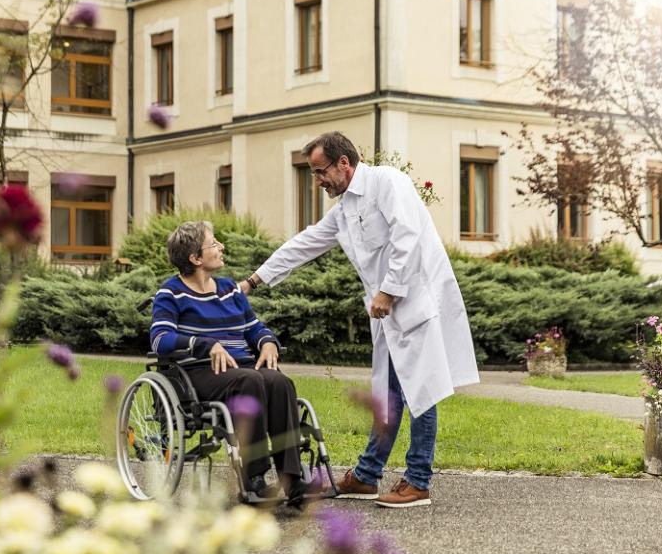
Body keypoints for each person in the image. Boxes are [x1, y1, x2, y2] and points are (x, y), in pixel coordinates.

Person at [239, 131, 479, 508]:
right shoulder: (344, 210)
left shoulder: (388, 183)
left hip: (414, 301)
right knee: (388, 395)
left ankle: (418, 482)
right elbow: (305, 243)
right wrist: (254, 280)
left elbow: (408, 235)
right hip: (385, 314)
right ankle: (367, 475)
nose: (317, 182)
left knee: (421, 391)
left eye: (320, 173)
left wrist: (389, 290)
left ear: (344, 163)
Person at [150, 220, 306, 505]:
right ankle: (254, 478)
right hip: (199, 375)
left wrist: (267, 342)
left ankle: (292, 479)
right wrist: (205, 345)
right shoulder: (170, 293)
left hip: (241, 369)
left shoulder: (230, 290)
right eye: (213, 244)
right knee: (251, 380)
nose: (221, 248)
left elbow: (254, 327)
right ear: (195, 258)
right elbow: (160, 340)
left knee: (279, 381)